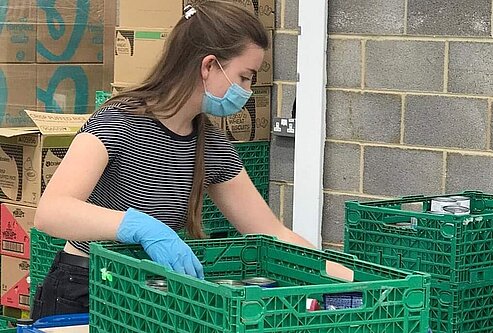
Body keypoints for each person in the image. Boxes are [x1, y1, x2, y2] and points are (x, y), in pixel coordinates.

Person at [31, 1, 316, 321]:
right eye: (245, 77)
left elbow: (269, 231)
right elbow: (50, 212)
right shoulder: (119, 123)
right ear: (209, 66)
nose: (247, 91)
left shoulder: (210, 145)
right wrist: (138, 226)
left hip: (152, 296)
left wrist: (344, 276)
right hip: (86, 291)